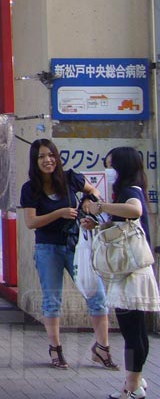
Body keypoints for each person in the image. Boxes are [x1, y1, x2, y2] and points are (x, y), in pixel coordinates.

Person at [20, 138, 115, 370]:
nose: (47, 160)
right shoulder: (30, 188)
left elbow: (94, 193)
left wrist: (86, 202)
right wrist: (60, 213)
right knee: (52, 300)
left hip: (76, 246)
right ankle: (56, 349)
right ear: (35, 161)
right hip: (48, 248)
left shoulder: (71, 178)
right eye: (41, 156)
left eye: (50, 155)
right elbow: (31, 222)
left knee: (96, 295)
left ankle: (102, 349)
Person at [82, 147, 160, 399]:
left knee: (131, 332)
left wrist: (101, 206)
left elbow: (134, 211)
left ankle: (132, 385)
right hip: (133, 270)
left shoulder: (129, 192)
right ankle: (135, 380)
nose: (108, 170)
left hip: (130, 273)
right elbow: (123, 225)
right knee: (135, 330)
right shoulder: (132, 189)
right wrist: (99, 221)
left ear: (122, 168)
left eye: (111, 165)